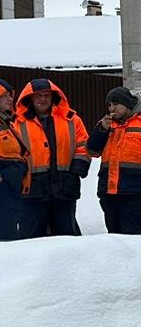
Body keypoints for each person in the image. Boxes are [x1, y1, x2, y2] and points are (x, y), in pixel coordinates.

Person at [11, 78, 90, 237]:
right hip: (31, 189)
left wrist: (76, 169)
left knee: (66, 236)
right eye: (38, 95)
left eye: (47, 95)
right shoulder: (16, 123)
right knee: (31, 237)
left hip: (64, 187)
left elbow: (83, 145)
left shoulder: (71, 119)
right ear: (30, 98)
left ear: (53, 97)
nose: (43, 99)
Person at [86, 86, 141, 235]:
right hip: (109, 192)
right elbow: (92, 151)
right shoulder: (107, 125)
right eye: (109, 105)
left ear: (127, 103)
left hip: (133, 193)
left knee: (134, 236)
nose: (112, 108)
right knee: (115, 238)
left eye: (115, 103)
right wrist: (101, 129)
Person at [0, 79, 26, 241]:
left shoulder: (7, 122)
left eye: (11, 96)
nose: (11, 100)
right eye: (6, 96)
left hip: (12, 184)